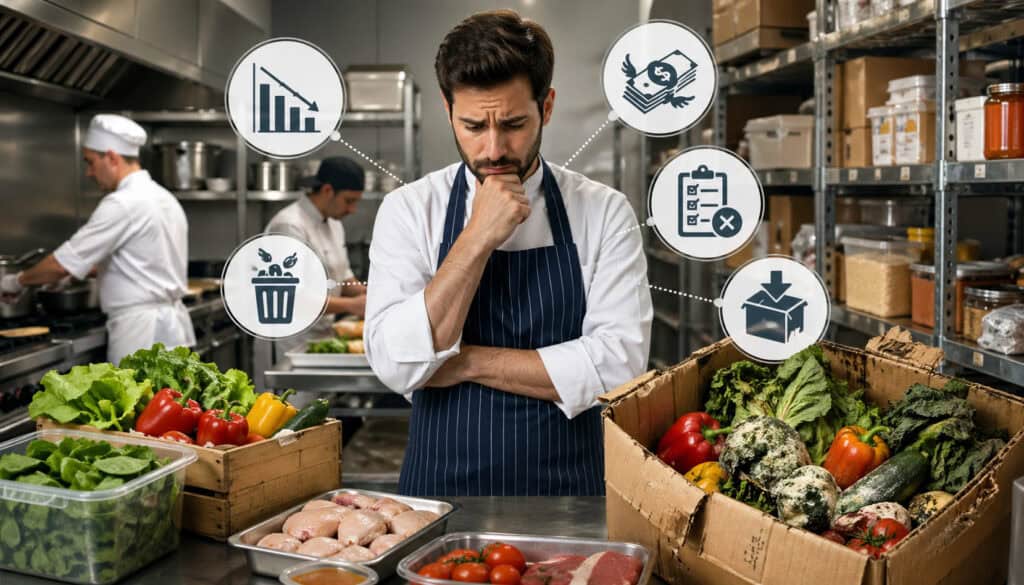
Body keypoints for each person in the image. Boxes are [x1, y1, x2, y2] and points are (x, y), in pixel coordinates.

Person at [365, 10, 653, 497]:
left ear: (548, 106)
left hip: (572, 492)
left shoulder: (604, 212)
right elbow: (397, 364)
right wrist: (477, 236)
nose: (494, 149)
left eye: (515, 124)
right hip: (440, 492)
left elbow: (618, 365)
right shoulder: (409, 210)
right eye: (474, 125)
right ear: (447, 108)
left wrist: (465, 361)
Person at [0, 114, 195, 364]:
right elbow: (138, 263)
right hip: (170, 330)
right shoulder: (163, 198)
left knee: (137, 404)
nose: (89, 173)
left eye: (90, 162)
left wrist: (15, 282)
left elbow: (61, 263)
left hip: (140, 336)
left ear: (112, 157)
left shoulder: (123, 203)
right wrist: (73, 275)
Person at [266, 156, 367, 353]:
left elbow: (344, 278)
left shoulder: (334, 224)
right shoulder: (289, 225)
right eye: (349, 201)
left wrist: (369, 294)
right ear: (328, 190)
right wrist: (352, 305)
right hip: (291, 339)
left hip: (322, 335)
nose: (352, 209)